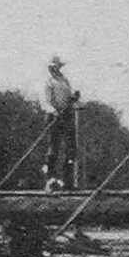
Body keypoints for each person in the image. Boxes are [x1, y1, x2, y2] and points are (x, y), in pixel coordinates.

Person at [43, 56, 80, 190]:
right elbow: (46, 102)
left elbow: (69, 98)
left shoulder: (65, 80)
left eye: (56, 67)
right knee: (54, 148)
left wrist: (74, 98)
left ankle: (67, 180)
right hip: (54, 117)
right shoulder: (49, 83)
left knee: (70, 148)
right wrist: (55, 112)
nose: (53, 69)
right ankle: (51, 180)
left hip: (66, 115)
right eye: (52, 67)